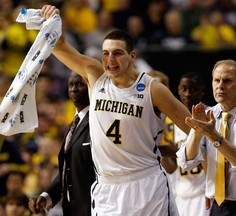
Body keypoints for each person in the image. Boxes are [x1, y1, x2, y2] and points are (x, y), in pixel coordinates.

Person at [40, 5, 191, 216]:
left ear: (132, 56)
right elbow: (59, 46)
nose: (110, 59)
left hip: (145, 183)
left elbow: (191, 124)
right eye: (106, 53)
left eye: (117, 53)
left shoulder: (152, 88)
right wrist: (52, 22)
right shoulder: (95, 76)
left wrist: (197, 152)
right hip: (107, 185)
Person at [176, 59, 236, 216]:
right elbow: (185, 162)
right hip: (218, 207)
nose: (220, 85)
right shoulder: (208, 115)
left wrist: (213, 135)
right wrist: (197, 131)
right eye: (216, 80)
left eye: (227, 80)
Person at [29, 72, 95, 216]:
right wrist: (47, 195)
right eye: (71, 85)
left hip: (97, 207)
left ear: (92, 88)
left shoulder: (98, 122)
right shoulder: (73, 124)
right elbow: (68, 168)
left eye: (80, 84)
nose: (74, 89)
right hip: (73, 209)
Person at [172, 72, 210, 216]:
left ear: (202, 90)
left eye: (192, 89)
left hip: (203, 192)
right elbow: (171, 166)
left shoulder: (210, 115)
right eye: (184, 89)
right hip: (181, 193)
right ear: (178, 90)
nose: (187, 94)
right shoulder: (172, 121)